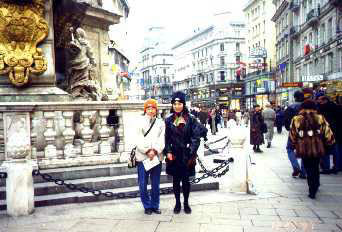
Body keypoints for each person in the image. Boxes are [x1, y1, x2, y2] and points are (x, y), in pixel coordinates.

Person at [164, 91, 202, 214]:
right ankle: (177, 203)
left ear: (183, 104)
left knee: (186, 181)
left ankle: (186, 203)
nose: (177, 106)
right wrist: (168, 151)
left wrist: (191, 152)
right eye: (175, 104)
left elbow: (196, 138)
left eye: (179, 103)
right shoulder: (168, 120)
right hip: (174, 154)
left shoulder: (191, 119)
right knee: (175, 181)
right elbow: (166, 138)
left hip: (187, 154)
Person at [289, 99, 335, 199]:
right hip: (317, 147)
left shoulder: (296, 119)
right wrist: (329, 143)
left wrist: (293, 144)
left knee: (307, 166)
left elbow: (293, 134)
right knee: (315, 166)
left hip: (303, 148)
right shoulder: (320, 118)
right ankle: (316, 184)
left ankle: (311, 188)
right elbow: (327, 132)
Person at [136, 99, 165, 215]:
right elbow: (138, 138)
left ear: (156, 110)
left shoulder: (160, 123)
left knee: (155, 184)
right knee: (143, 183)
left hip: (156, 157)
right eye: (148, 108)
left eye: (153, 108)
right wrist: (147, 150)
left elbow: (162, 138)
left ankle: (155, 205)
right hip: (143, 157)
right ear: (145, 109)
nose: (151, 110)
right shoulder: (139, 122)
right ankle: (146, 206)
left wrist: (156, 150)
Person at [317, 95, 342, 174]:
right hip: (336, 131)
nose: (319, 102)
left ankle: (326, 167)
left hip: (326, 130)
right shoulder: (336, 107)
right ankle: (336, 167)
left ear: (325, 100)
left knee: (325, 149)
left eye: (320, 100)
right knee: (335, 150)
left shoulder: (322, 108)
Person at [284, 90, 306, 178]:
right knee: (304, 151)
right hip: (305, 132)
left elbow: (286, 120)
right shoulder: (305, 107)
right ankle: (304, 172)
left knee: (290, 148)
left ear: (294, 97)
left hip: (293, 131)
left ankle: (296, 166)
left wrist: (288, 128)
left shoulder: (290, 107)